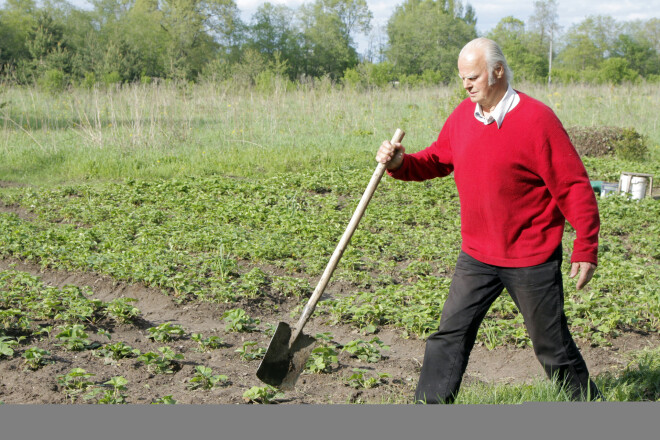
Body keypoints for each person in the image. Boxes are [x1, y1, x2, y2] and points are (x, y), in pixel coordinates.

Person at [376, 37, 602, 404]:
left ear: (497, 71)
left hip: (531, 256)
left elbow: (573, 186)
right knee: (449, 335)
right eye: (462, 77)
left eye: (473, 76)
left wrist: (586, 246)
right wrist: (402, 163)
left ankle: (589, 408)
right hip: (478, 255)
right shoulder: (463, 116)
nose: (466, 84)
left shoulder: (537, 120)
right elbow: (436, 159)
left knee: (552, 346)